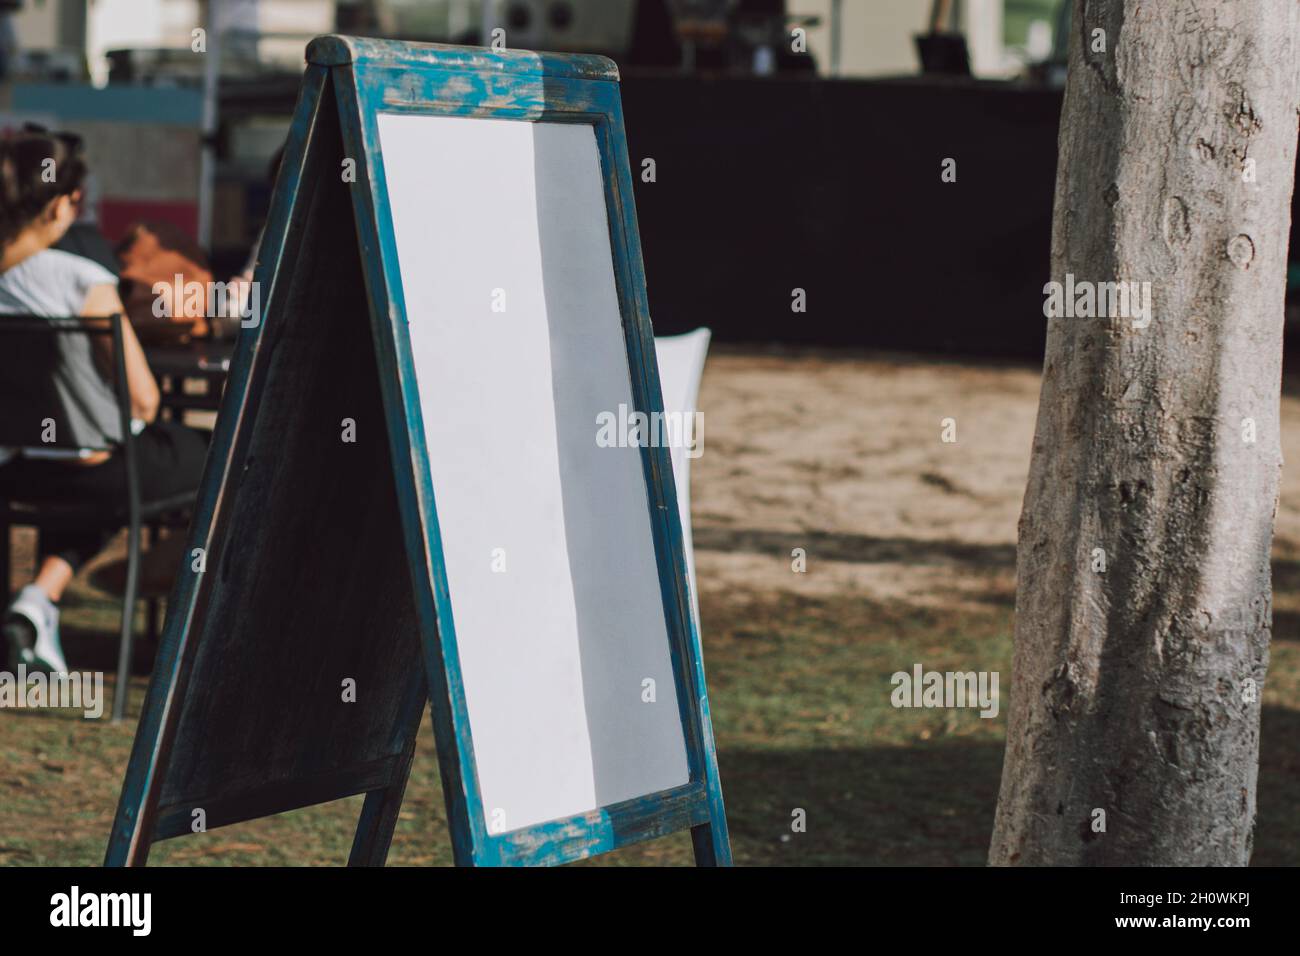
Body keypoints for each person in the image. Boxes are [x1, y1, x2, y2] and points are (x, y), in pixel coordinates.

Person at [0, 130, 208, 674]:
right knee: (212, 456)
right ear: (65, 203)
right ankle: (196, 638)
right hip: (93, 469)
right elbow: (141, 401)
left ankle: (36, 603)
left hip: (17, 471)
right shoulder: (81, 279)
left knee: (91, 463)